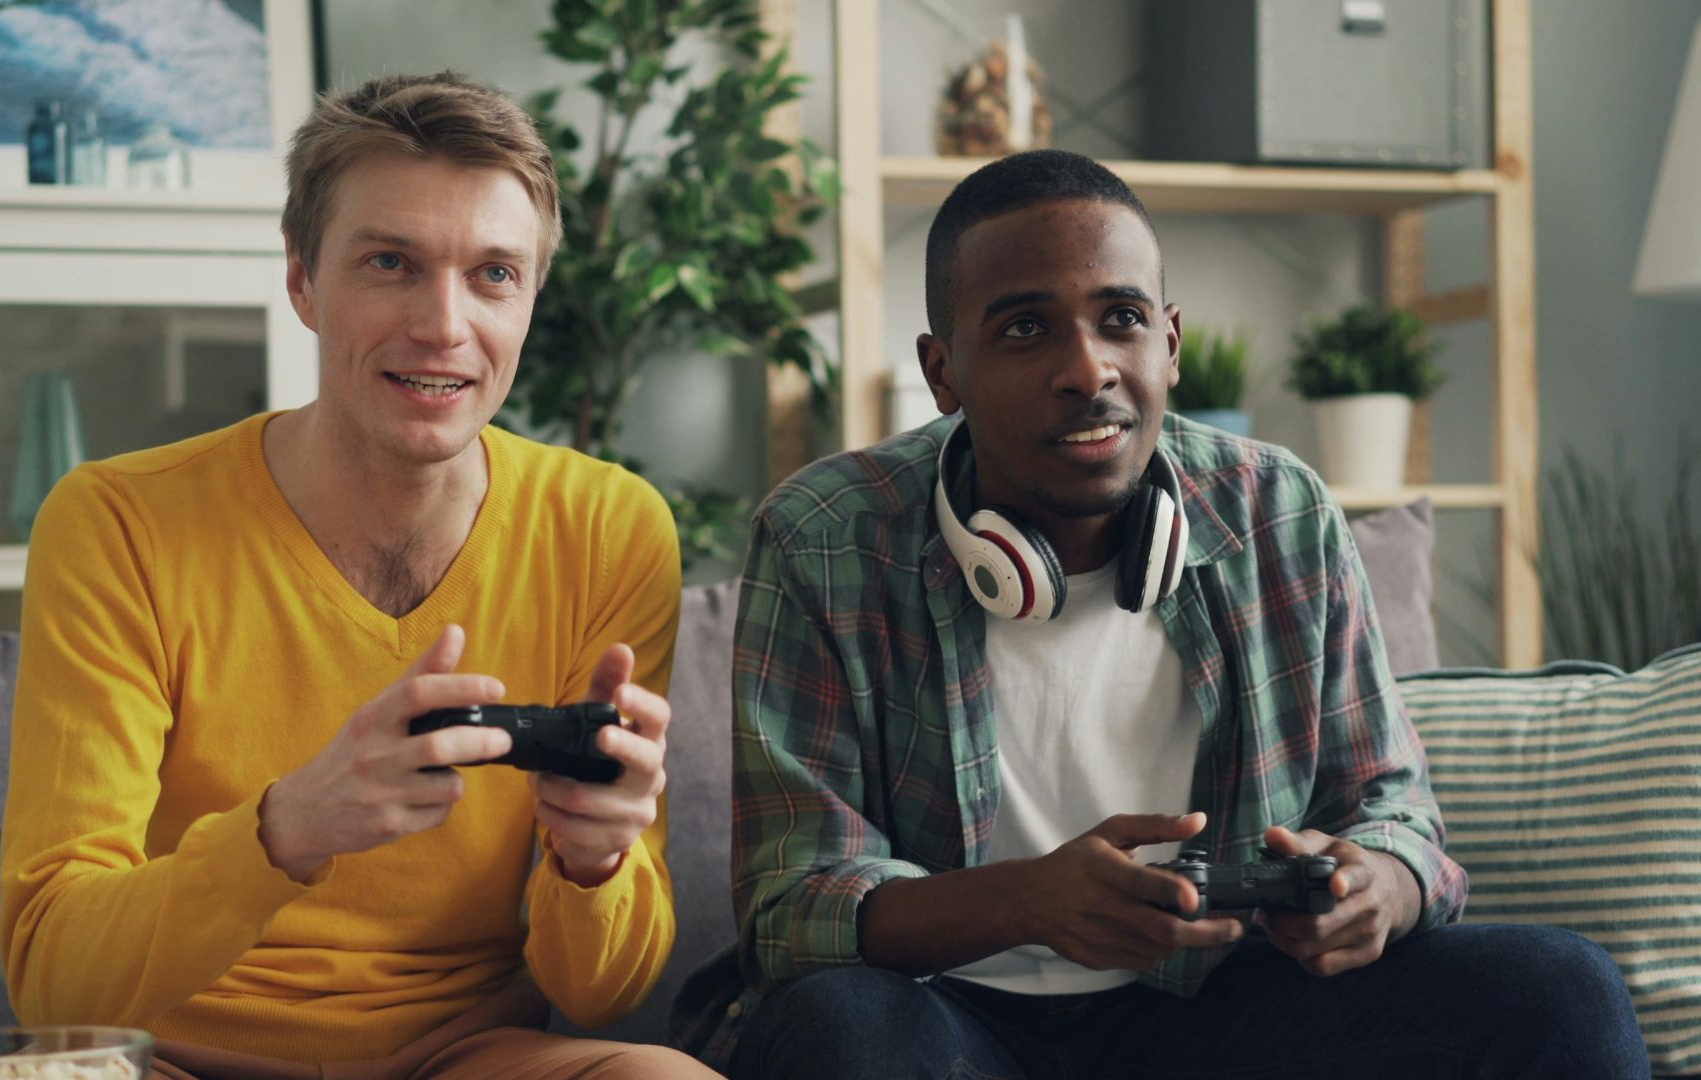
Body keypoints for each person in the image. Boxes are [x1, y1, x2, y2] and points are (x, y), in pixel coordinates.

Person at [673, 149, 1648, 1079]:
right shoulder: (823, 538)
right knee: (833, 1026)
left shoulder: (1281, 512)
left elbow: (1393, 809)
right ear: (943, 373)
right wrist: (1026, 903)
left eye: (1122, 319)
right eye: (1024, 328)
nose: (1087, 368)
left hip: (1221, 1014)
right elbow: (792, 907)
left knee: (1564, 991)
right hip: (948, 1017)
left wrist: (1374, 889)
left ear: (1170, 344)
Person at [0, 73, 718, 1079]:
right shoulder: (118, 521)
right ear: (302, 280)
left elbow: (604, 993)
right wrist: (287, 828)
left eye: (493, 274)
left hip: (464, 1057)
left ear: (531, 298)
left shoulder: (607, 525)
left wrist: (594, 861)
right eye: (391, 262)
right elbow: (52, 984)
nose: (443, 324)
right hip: (175, 1056)